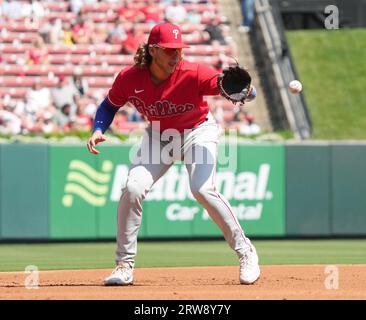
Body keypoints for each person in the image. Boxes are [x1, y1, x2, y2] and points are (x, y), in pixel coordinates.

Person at [86, 22, 260, 286]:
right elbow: (109, 105)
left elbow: (220, 84)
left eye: (179, 49)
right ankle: (124, 265)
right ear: (153, 50)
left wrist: (244, 90)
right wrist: (98, 128)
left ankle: (245, 250)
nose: (176, 55)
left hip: (197, 132)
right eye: (169, 50)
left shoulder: (192, 72)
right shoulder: (130, 78)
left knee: (202, 189)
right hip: (159, 136)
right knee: (132, 188)